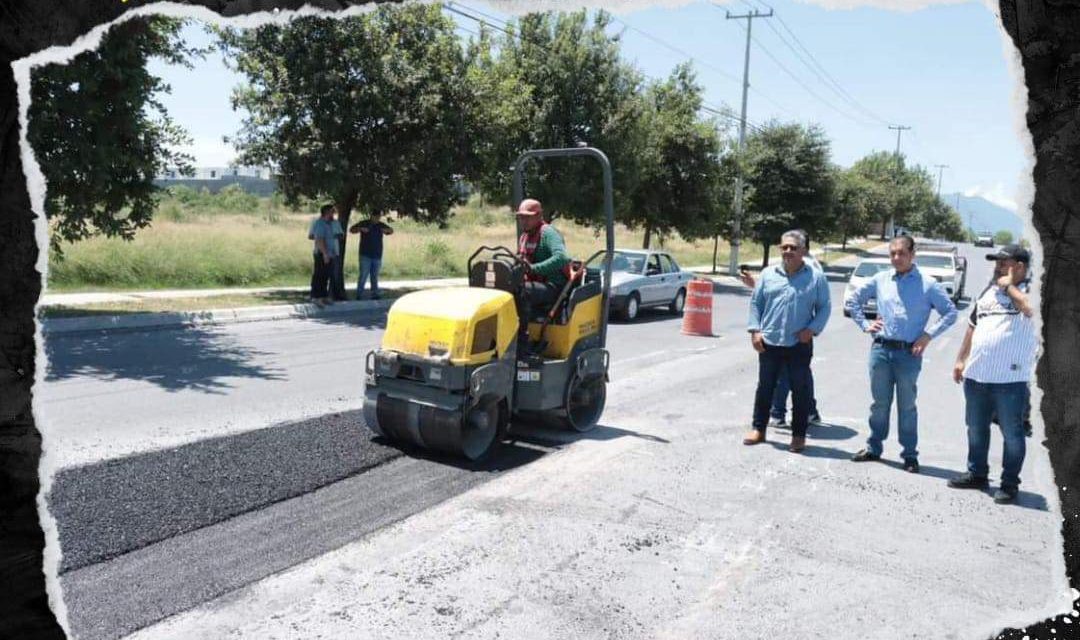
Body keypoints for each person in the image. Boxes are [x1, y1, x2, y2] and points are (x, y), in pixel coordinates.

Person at [846, 235, 958, 473]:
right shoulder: (880, 279)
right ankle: (874, 447)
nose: (896, 258)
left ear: (912, 254)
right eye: (892, 253)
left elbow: (950, 312)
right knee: (879, 403)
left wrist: (928, 336)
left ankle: (909, 455)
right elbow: (854, 300)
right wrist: (865, 325)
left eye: (901, 253)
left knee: (907, 406)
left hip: (909, 354)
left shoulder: (928, 285)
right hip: (881, 350)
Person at [948, 244, 1036, 504]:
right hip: (977, 377)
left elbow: (1031, 309)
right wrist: (960, 360)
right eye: (996, 262)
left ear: (1020, 266)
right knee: (976, 428)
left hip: (1010, 381)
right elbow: (972, 326)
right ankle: (977, 474)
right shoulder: (988, 292)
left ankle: (1009, 484)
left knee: (1012, 434)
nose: (998, 267)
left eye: (1003, 262)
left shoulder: (1032, 290)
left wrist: (1008, 287)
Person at [743, 230, 832, 453]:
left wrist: (811, 329)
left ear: (804, 251)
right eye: (784, 247)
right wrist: (755, 331)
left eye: (793, 247)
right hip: (770, 341)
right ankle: (759, 429)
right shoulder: (768, 274)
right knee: (765, 388)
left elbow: (824, 307)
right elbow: (756, 304)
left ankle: (799, 436)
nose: (788, 251)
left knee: (799, 390)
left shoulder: (815, 277)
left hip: (798, 344)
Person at [514, 198, 569, 326]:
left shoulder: (548, 233)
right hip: (533, 283)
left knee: (522, 291)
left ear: (539, 216)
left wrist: (534, 268)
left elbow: (561, 257)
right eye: (522, 217)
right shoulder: (524, 237)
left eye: (528, 217)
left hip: (553, 286)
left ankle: (522, 337)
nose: (524, 221)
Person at [349, 212, 394, 300]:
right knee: (363, 275)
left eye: (378, 217)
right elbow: (351, 230)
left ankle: (375, 293)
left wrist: (386, 231)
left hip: (377, 254)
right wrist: (361, 229)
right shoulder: (364, 223)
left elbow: (391, 230)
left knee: (374, 275)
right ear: (371, 216)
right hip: (365, 254)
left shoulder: (380, 225)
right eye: (375, 216)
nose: (377, 218)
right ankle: (359, 294)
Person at [308, 204, 339, 306]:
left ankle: (323, 296)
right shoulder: (320, 224)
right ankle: (315, 297)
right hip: (321, 254)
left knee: (326, 276)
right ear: (327, 213)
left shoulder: (329, 224)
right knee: (319, 276)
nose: (333, 214)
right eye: (332, 212)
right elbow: (319, 240)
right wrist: (325, 254)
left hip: (329, 254)